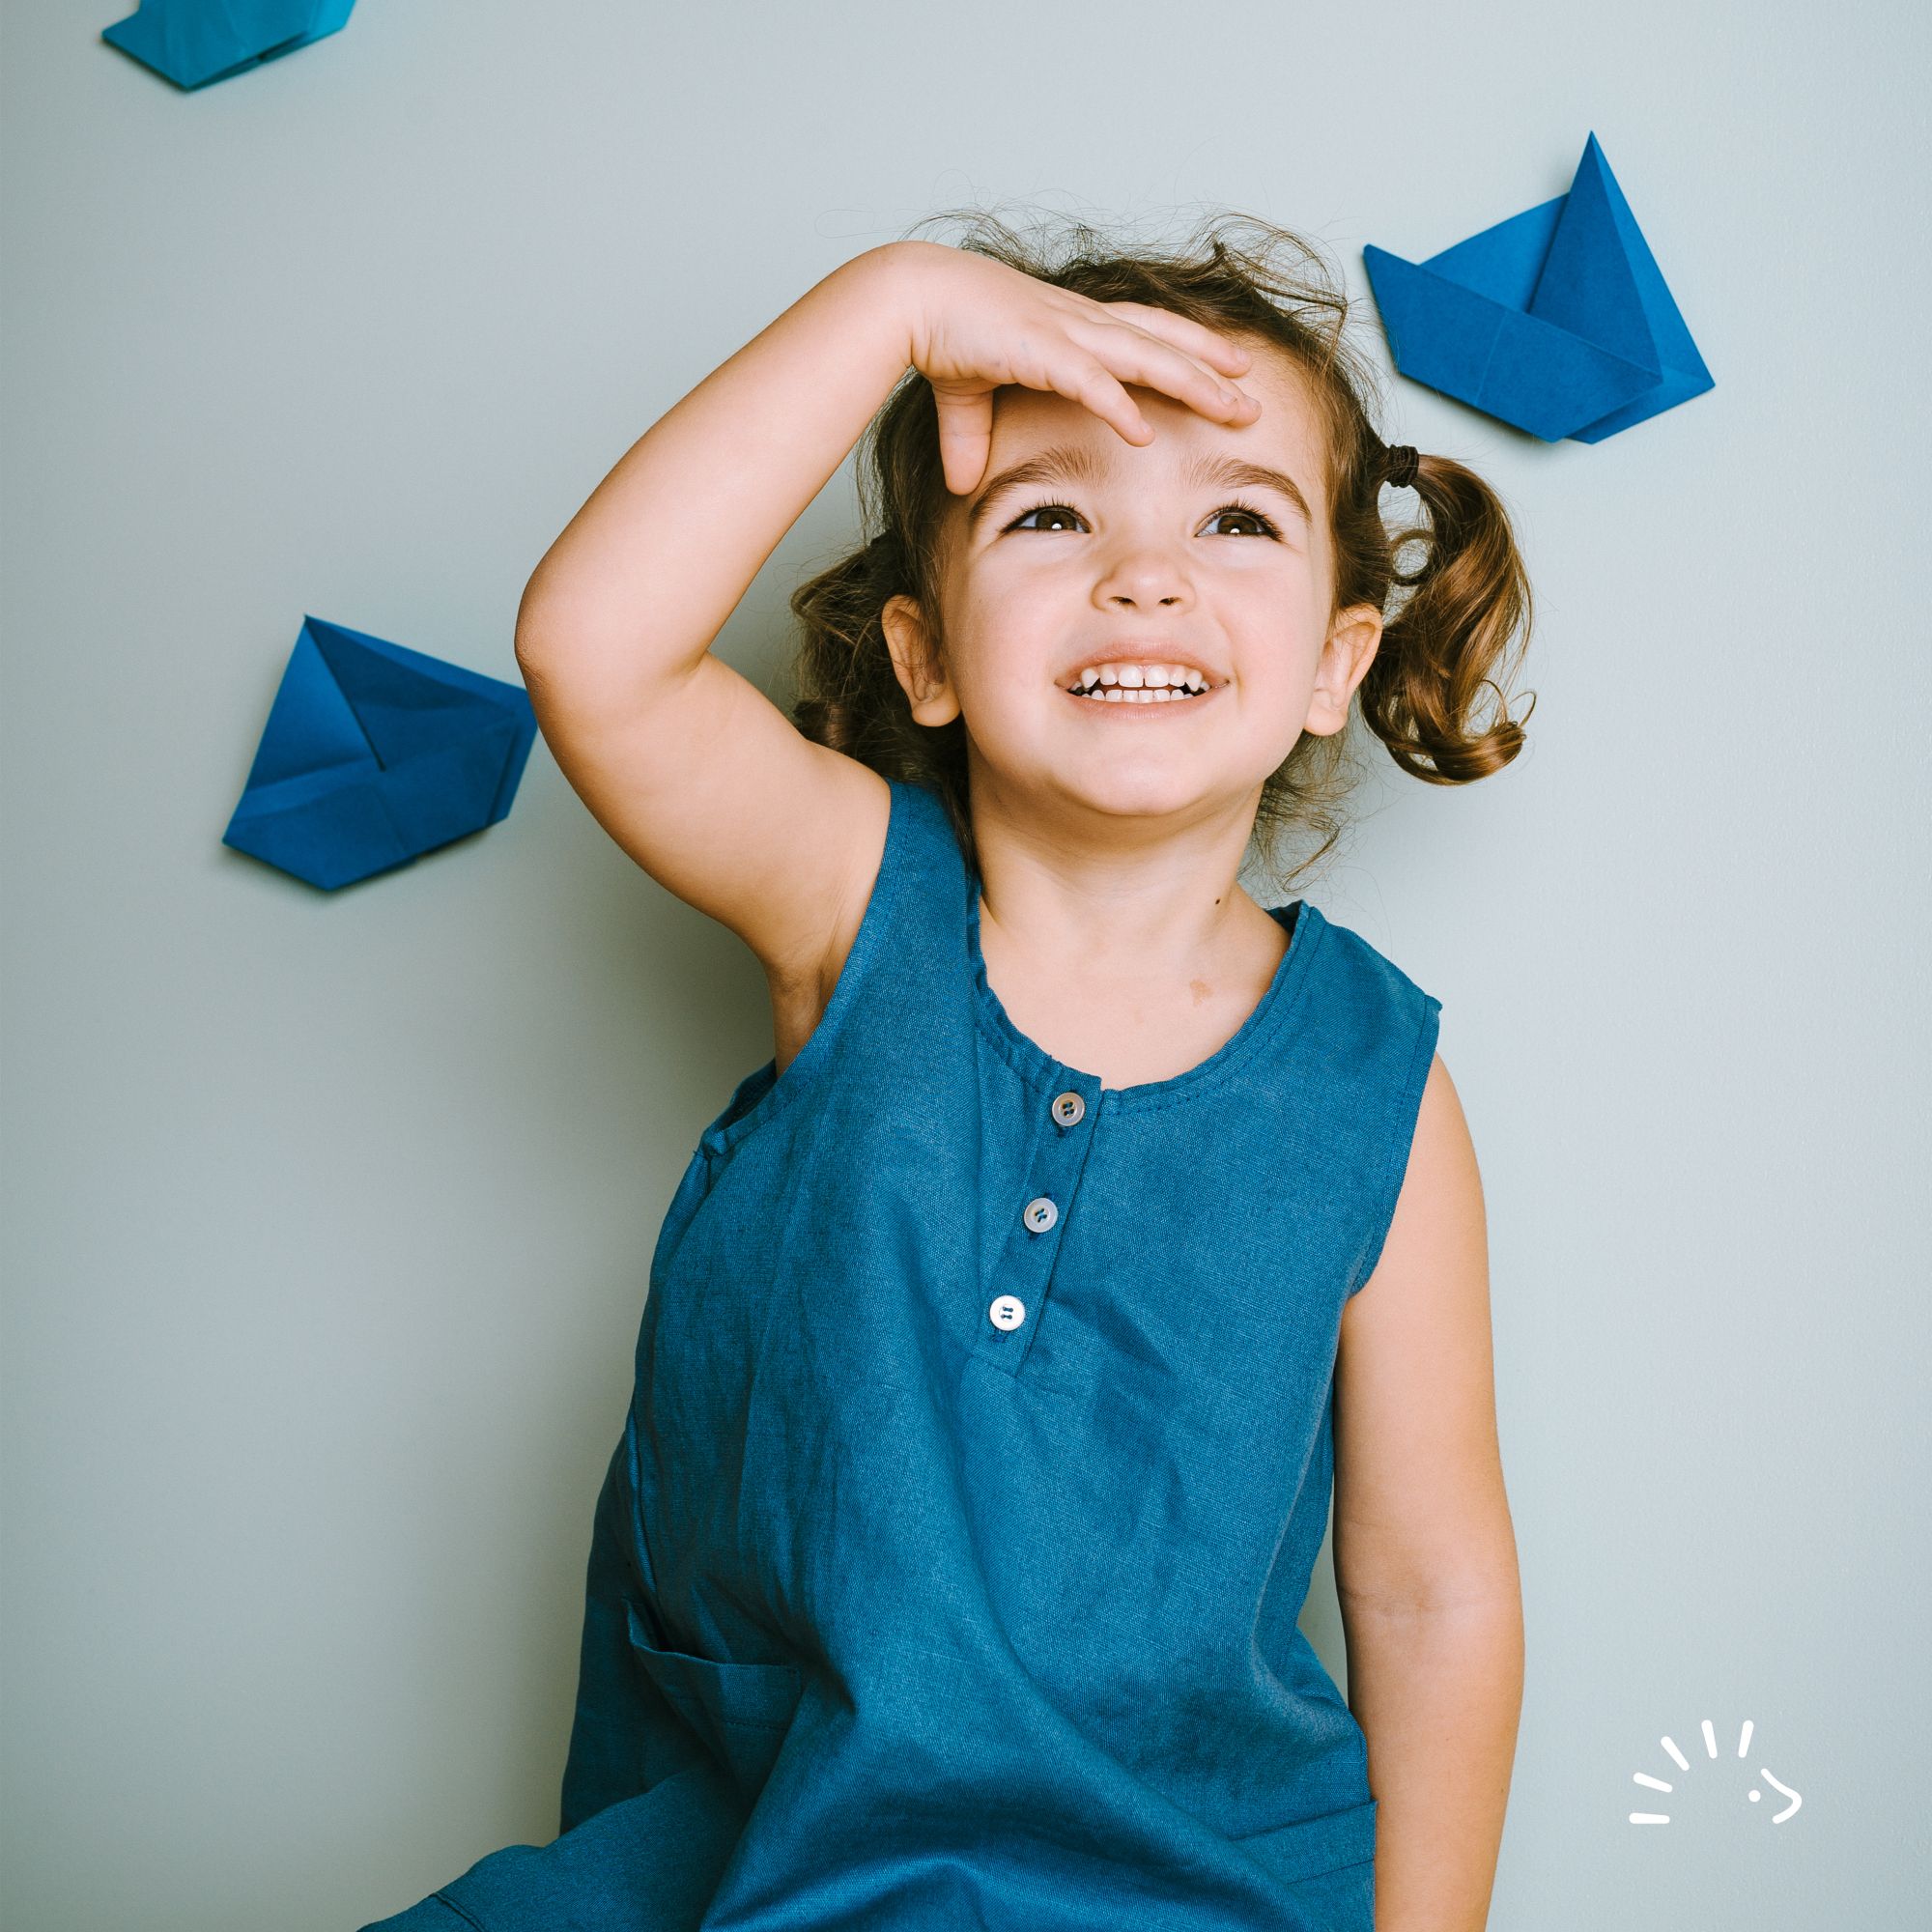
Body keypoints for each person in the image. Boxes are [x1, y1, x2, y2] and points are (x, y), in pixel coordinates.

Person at [360, 212, 1528, 1932]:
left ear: (1334, 666)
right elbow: (590, 652)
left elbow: (1433, 1591)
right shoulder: (852, 903)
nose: (1146, 575)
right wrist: (898, 305)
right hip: (764, 1866)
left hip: (1194, 1891)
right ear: (925, 655)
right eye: (1052, 514)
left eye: (1235, 520)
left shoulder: (1379, 1081)